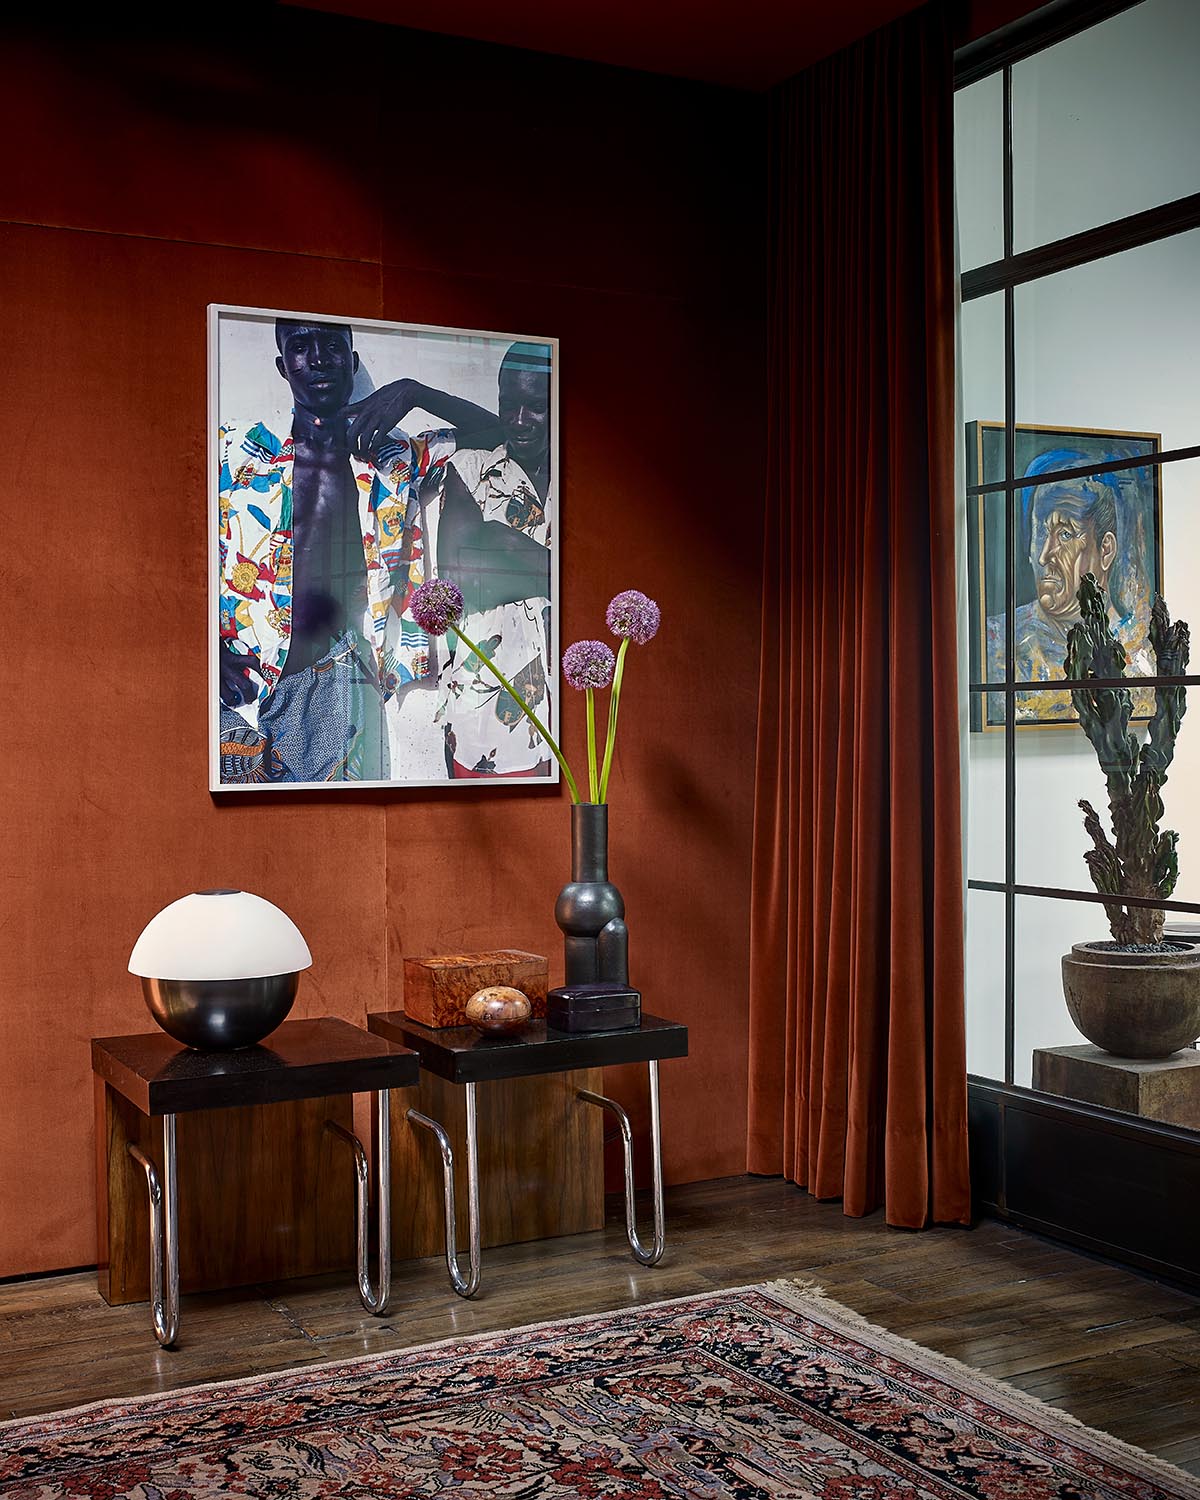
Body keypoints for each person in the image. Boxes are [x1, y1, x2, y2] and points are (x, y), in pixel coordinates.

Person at [217, 319, 497, 782]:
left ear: (352, 361)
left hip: (340, 677)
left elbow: (499, 434)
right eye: (301, 346)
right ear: (282, 366)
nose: (318, 359)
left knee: (332, 820)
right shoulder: (237, 451)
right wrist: (205, 649)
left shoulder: (394, 458)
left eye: (332, 345)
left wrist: (414, 393)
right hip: (245, 674)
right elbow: (170, 549)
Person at [432, 343, 555, 778]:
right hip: (485, 712)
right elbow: (462, 579)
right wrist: (556, 569)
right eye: (508, 404)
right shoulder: (470, 470)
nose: (519, 420)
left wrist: (500, 540)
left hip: (571, 703)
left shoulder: (581, 480)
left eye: (536, 406)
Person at [985, 450, 1153, 723]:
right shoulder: (996, 644)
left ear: (1106, 550)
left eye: (1065, 534)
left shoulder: (1139, 654)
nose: (1044, 556)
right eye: (1041, 532)